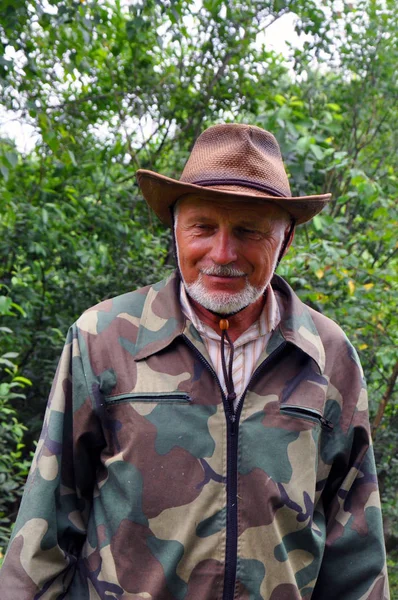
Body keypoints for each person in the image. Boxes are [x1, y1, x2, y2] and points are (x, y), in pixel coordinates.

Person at [0, 124, 389, 599]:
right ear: (176, 231)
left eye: (248, 231)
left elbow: (357, 556)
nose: (221, 254)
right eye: (203, 227)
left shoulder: (329, 357)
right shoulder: (103, 339)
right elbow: (44, 529)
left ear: (284, 242)